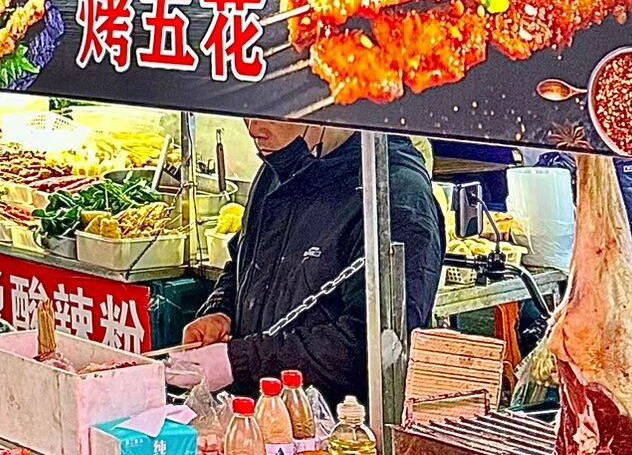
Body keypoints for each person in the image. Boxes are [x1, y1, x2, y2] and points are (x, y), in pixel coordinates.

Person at [169, 120, 444, 401]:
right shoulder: (276, 170)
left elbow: (373, 346)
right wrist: (220, 311)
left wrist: (239, 362)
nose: (253, 129)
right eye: (245, 114)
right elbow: (243, 260)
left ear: (322, 110)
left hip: (342, 429)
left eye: (269, 114)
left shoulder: (395, 197)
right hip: (263, 415)